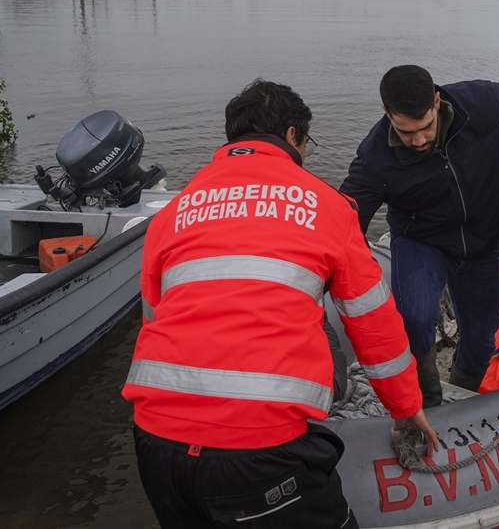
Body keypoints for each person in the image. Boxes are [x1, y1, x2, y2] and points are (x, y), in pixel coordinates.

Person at [123, 79, 437, 529]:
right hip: (260, 450)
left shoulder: (174, 213)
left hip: (156, 443)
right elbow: (373, 322)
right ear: (292, 136)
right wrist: (406, 409)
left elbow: (155, 318)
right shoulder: (328, 206)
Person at [339, 65, 499, 406]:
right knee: (415, 320)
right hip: (422, 244)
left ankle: (463, 395)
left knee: (480, 341)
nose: (419, 140)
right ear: (387, 113)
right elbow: (345, 222)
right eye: (406, 132)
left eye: (426, 127)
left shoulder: (484, 104)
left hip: (483, 243)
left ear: (436, 102)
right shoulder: (375, 158)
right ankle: (428, 401)